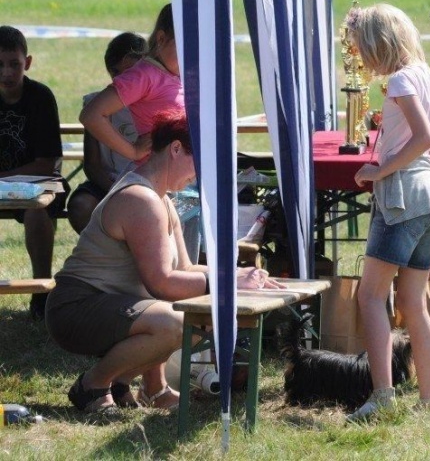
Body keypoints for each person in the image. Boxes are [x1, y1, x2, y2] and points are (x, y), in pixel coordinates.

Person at [46, 109, 283, 414]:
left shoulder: (161, 199)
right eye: (198, 164)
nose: (198, 175)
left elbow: (185, 269)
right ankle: (93, 385)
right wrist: (228, 282)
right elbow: (162, 283)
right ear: (175, 149)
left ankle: (125, 384)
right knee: (175, 323)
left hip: (100, 304)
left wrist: (238, 274)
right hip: (74, 308)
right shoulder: (140, 199)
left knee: (192, 319)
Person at [345, 3, 430, 421]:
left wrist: (379, 169)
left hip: (403, 194)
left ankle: (382, 396)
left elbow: (424, 136)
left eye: (364, 49)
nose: (364, 59)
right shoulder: (426, 78)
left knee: (370, 296)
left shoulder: (400, 80)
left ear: (379, 44)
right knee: (413, 301)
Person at [0, 25, 68, 320]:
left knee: (37, 211)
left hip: (38, 183)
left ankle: (40, 291)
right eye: (0, 65)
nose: (7, 72)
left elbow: (47, 163)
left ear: (27, 63)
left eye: (14, 64)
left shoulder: (41, 97)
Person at [80, 4, 184, 165]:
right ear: (161, 38)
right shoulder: (144, 75)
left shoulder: (178, 74)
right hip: (156, 181)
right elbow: (91, 115)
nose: (191, 55)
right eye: (184, 46)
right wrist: (133, 151)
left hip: (183, 179)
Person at [67, 32, 146, 234]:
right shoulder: (97, 105)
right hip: (108, 183)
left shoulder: (158, 103)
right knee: (81, 206)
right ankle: (105, 256)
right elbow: (92, 165)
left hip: (150, 182)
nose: (133, 81)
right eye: (125, 74)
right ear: (113, 75)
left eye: (138, 73)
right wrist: (116, 190)